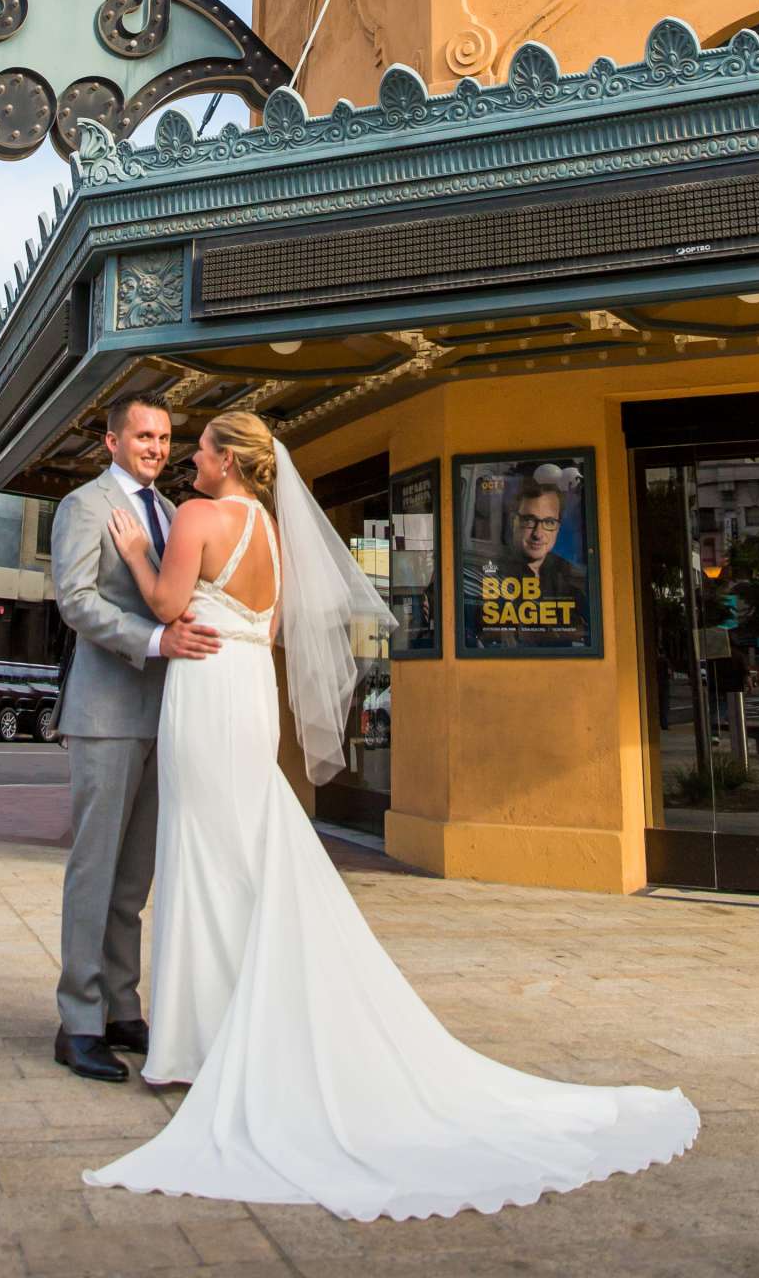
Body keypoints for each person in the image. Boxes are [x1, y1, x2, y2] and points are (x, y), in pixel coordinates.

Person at [82, 410, 698, 1222]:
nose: (188, 460)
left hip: (202, 693)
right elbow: (267, 625)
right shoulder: (265, 523)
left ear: (228, 461)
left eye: (198, 449)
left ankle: (201, 1041)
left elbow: (166, 606)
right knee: (242, 853)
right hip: (245, 692)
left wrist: (134, 552)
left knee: (202, 854)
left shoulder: (197, 516)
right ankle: (233, 1024)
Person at [49, 392, 223, 1085]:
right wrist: (154, 639)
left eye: (165, 437)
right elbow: (76, 599)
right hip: (105, 711)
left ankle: (123, 1006)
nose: (156, 446)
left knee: (134, 877)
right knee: (94, 871)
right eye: (143, 435)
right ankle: (78, 1021)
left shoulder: (177, 514)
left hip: (168, 713)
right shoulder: (83, 506)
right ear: (112, 442)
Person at [474, 466, 589, 647]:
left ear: (558, 527)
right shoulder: (491, 573)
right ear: (514, 522)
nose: (538, 533)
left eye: (549, 522)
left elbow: (588, 628)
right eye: (529, 520)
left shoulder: (569, 574)